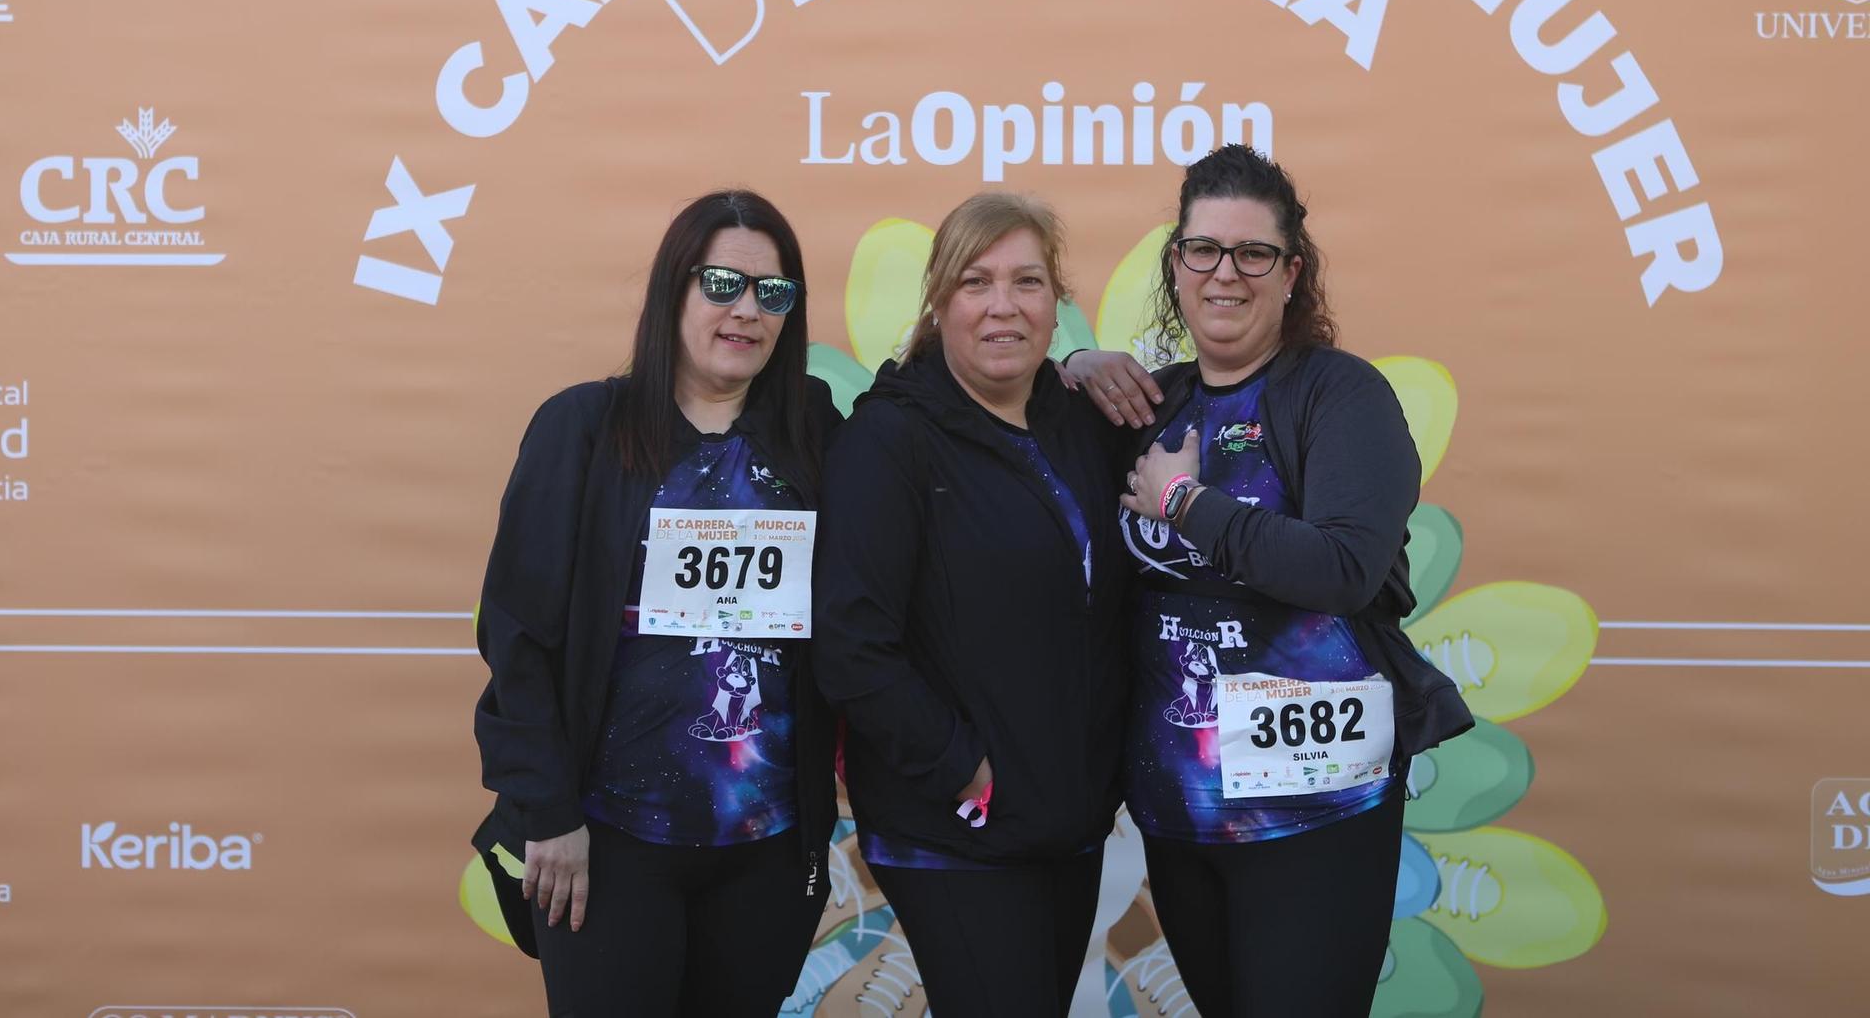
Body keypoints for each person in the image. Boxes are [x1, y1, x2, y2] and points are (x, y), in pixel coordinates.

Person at [1063, 144, 1470, 1017]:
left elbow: (1343, 567)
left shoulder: (1340, 395)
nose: (1226, 274)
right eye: (1203, 249)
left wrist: (1185, 502)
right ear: (1175, 265)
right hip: (1181, 810)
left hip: (1317, 807)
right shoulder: (1150, 402)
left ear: (1292, 273)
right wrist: (1071, 370)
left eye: (1254, 254)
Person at [469, 190, 840, 1018]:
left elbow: (930, 410)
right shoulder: (583, 429)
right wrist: (550, 811)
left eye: (773, 293)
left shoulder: (817, 430)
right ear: (673, 289)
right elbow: (519, 639)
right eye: (723, 284)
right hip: (605, 843)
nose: (747, 310)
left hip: (766, 848)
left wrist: (1074, 369)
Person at [813, 192, 1129, 1018]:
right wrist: (961, 766)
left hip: (1069, 821)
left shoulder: (1079, 423)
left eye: (1027, 281)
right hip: (956, 828)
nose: (1002, 305)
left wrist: (1091, 364)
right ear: (939, 298)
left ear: (1056, 301)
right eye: (976, 281)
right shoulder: (888, 441)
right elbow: (851, 645)